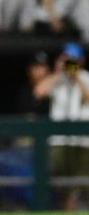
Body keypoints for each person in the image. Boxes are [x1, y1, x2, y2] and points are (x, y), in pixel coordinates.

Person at [33, 42, 89, 211]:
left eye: (71, 59)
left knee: (80, 186)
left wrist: (76, 76)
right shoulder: (57, 79)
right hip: (59, 141)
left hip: (83, 142)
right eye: (64, 58)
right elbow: (38, 92)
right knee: (60, 186)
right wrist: (58, 73)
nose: (67, 62)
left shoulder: (85, 77)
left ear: (81, 60)